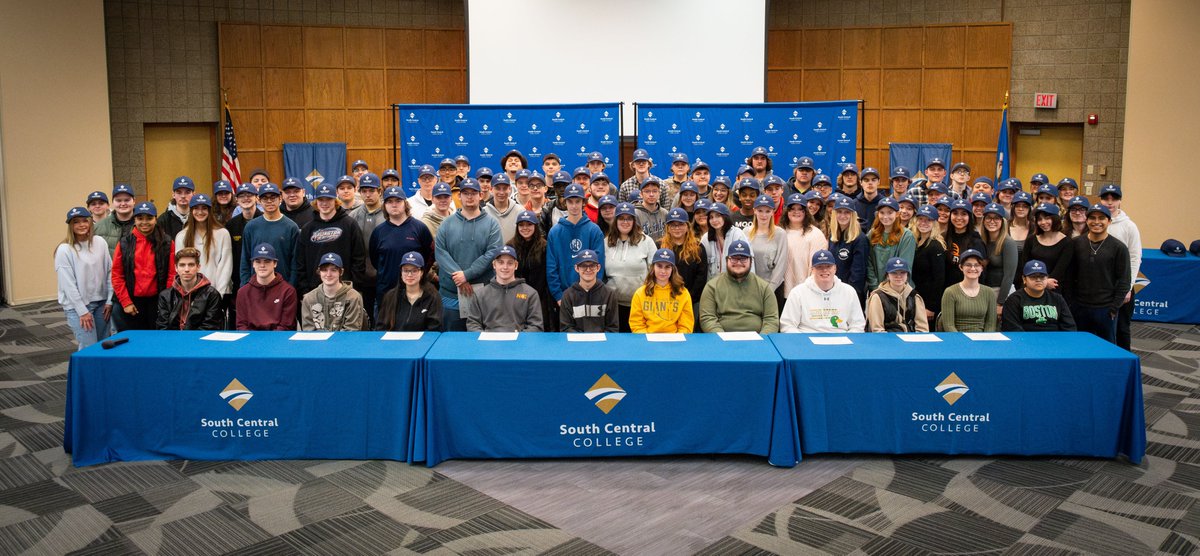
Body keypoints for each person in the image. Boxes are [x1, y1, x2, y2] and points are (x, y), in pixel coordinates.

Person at [435, 178, 503, 330]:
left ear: (481, 195)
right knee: (452, 343)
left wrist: (467, 274)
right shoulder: (446, 223)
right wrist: (460, 278)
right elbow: (440, 252)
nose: (470, 197)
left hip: (483, 294)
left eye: (474, 193)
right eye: (465, 193)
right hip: (451, 295)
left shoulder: (492, 224)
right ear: (459, 196)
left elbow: (493, 252)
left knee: (482, 343)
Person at [1068, 203, 1131, 345]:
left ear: (1109, 221)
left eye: (1101, 218)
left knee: (1107, 349)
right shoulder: (1076, 243)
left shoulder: (1119, 248)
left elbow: (1124, 280)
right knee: (1079, 347)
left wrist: (1114, 308)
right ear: (1086, 220)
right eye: (1092, 218)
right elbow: (1070, 276)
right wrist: (1071, 304)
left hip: (1106, 309)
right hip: (1079, 307)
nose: (1096, 222)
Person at [293, 182, 368, 296]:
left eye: (328, 199)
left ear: (335, 200)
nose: (324, 203)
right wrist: (305, 290)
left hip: (344, 289)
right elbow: (300, 262)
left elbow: (359, 259)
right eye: (321, 199)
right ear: (315, 202)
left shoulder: (350, 225)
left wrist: (355, 288)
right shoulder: (307, 229)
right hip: (315, 291)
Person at [111, 202, 176, 331]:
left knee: (156, 341)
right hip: (132, 302)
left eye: (149, 218)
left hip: (157, 300)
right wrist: (126, 302)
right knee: (134, 342)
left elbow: (171, 274)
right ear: (134, 220)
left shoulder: (167, 242)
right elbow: (117, 275)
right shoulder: (125, 243)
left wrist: (165, 301)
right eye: (140, 218)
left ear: (156, 219)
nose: (144, 222)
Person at [56, 207, 112, 349]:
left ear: (90, 222)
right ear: (70, 226)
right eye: (76, 222)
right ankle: (84, 372)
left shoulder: (100, 242)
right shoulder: (64, 249)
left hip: (102, 304)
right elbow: (68, 285)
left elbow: (110, 272)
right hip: (78, 307)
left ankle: (101, 372)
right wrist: (82, 311)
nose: (81, 225)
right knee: (89, 347)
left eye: (84, 221)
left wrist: (110, 300)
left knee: (103, 345)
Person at [698, 240, 779, 333]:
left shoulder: (764, 288)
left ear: (751, 261)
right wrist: (722, 339)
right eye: (734, 258)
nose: (739, 262)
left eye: (743, 258)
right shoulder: (712, 287)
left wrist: (762, 341)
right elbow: (707, 318)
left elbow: (771, 319)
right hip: (722, 342)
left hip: (757, 342)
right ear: (726, 260)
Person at [546, 183, 606, 305]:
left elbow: (599, 265)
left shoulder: (594, 230)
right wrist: (558, 296)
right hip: (563, 297)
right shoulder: (555, 232)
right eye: (570, 201)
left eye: (577, 201)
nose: (574, 206)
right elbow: (551, 267)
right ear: (565, 203)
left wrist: (593, 291)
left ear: (583, 203)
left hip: (590, 296)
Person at [779, 249, 866, 333]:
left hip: (840, 340)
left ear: (835, 268)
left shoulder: (849, 292)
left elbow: (858, 324)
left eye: (828, 266)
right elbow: (787, 325)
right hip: (807, 340)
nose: (824, 270)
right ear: (812, 269)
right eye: (819, 267)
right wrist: (803, 342)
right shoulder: (797, 293)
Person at [1098, 184, 1142, 350]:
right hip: (1101, 286)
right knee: (1102, 327)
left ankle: (1125, 360)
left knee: (1122, 327)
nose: (1110, 202)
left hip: (1121, 286)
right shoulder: (1095, 221)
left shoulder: (1129, 226)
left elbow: (1135, 258)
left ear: (1120, 201)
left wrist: (1127, 288)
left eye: (1114, 198)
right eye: (1106, 198)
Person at [462, 246, 543, 332]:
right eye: (500, 262)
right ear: (494, 265)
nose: (505, 267)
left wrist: (519, 339)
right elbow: (473, 324)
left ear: (516, 265)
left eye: (510, 263)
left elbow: (536, 326)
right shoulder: (480, 295)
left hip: (518, 344)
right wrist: (486, 340)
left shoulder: (530, 294)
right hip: (489, 344)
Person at [604, 202, 657, 332]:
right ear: (616, 221)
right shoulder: (606, 242)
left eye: (629, 218)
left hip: (640, 304)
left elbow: (655, 271)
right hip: (613, 305)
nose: (625, 222)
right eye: (621, 218)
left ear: (634, 221)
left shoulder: (647, 241)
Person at [175, 193, 233, 303]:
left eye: (204, 208)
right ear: (191, 211)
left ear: (210, 211)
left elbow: (226, 265)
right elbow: (181, 267)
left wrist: (217, 294)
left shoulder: (222, 233)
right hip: (190, 294)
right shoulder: (182, 236)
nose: (200, 212)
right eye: (196, 208)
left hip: (218, 292)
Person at [239, 183, 299, 286]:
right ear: (258, 200)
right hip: (256, 288)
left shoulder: (291, 227)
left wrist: (291, 287)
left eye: (273, 197)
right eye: (265, 198)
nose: (269, 201)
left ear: (280, 198)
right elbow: (245, 259)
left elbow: (295, 263)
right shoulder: (251, 227)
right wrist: (246, 286)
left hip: (283, 288)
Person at [660, 208, 707, 327]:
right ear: (667, 228)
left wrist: (688, 298)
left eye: (680, 224)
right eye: (673, 225)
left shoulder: (698, 248)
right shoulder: (660, 246)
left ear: (687, 226)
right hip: (665, 300)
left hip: (691, 299)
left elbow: (701, 276)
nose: (677, 228)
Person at [156, 247, 224, 330]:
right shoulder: (165, 296)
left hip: (199, 341)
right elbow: (162, 326)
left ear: (198, 267)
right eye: (182, 265)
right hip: (172, 340)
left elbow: (210, 327)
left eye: (191, 265)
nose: (186, 269)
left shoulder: (212, 295)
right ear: (176, 268)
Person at [509, 210, 555, 332]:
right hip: (516, 298)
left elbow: (548, 273)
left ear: (535, 226)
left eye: (529, 224)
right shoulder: (510, 247)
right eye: (521, 225)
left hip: (541, 298)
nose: (525, 228)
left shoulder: (545, 246)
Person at [629, 248, 694, 333]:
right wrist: (647, 340)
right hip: (648, 340)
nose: (663, 271)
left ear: (673, 269)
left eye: (667, 267)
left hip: (674, 341)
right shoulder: (640, 293)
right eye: (659, 266)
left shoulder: (683, 293)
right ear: (653, 267)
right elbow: (636, 324)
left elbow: (686, 325)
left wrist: (676, 341)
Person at [235, 243, 298, 331]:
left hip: (278, 341)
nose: (262, 265)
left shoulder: (288, 291)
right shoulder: (243, 292)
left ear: (275, 263)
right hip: (250, 341)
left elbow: (285, 326)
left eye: (267, 261)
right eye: (258, 261)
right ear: (253, 264)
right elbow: (241, 325)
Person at [1002, 260, 1076, 332]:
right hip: (1025, 341)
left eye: (1042, 276)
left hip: (1054, 341)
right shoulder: (1014, 300)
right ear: (1024, 279)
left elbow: (1069, 327)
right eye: (1033, 277)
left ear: (1047, 278)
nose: (1038, 280)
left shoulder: (1057, 299)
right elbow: (1012, 328)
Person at [375, 251, 442, 331]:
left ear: (421, 272)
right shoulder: (391, 296)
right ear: (401, 272)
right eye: (406, 270)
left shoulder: (432, 296)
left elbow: (435, 329)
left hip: (422, 342)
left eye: (414, 271)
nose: (409, 275)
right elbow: (380, 327)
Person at [300, 253, 365, 331]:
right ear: (319, 272)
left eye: (333, 270)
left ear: (341, 272)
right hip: (318, 343)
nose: (328, 274)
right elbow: (308, 331)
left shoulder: (353, 297)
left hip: (344, 342)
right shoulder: (308, 299)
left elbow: (351, 330)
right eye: (324, 270)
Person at [559, 249, 619, 332]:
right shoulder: (568, 295)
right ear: (576, 268)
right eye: (583, 266)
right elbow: (566, 328)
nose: (588, 270)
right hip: (577, 343)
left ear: (598, 268)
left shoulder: (609, 295)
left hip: (602, 343)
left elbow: (612, 328)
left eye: (592, 266)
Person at [939, 249, 998, 332]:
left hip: (982, 342)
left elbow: (991, 325)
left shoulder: (989, 293)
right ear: (961, 267)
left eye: (977, 265)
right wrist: (963, 342)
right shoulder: (950, 292)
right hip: (958, 341)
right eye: (968, 265)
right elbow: (949, 326)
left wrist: (985, 342)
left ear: (982, 268)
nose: (973, 268)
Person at [223, 182, 258, 326]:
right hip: (238, 283)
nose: (245, 198)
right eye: (241, 196)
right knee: (238, 323)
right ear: (236, 200)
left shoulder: (264, 220)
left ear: (256, 197)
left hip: (261, 280)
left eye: (249, 195)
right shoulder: (231, 225)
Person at [747, 194, 789, 310]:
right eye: (760, 211)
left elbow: (782, 263)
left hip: (773, 289)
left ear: (772, 212)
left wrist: (770, 289)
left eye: (767, 211)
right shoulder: (746, 232)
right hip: (751, 288)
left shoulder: (780, 234)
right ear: (754, 211)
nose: (764, 215)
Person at [1021, 203, 1073, 296]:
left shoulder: (1067, 243)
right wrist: (1039, 283)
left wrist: (1044, 283)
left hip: (1054, 289)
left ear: (1055, 218)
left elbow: (1060, 270)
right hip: (1030, 288)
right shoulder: (1031, 239)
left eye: (1047, 218)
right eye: (1040, 219)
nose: (1043, 222)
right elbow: (1025, 264)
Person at [780, 193, 828, 293]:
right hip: (781, 291)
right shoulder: (780, 232)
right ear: (786, 211)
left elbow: (817, 267)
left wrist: (808, 290)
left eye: (800, 209)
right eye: (792, 208)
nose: (796, 212)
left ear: (805, 212)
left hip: (807, 291)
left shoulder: (815, 234)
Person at [866, 257, 929, 333]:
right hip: (888, 340)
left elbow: (922, 329)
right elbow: (877, 330)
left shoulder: (915, 297)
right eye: (894, 272)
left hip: (911, 341)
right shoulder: (878, 297)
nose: (898, 276)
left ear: (907, 275)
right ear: (887, 275)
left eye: (902, 272)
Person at [866, 197, 917, 290]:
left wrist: (888, 290)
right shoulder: (871, 234)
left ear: (897, 214)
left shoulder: (907, 236)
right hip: (876, 289)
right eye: (882, 212)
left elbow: (904, 267)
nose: (885, 217)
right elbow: (868, 264)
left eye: (890, 212)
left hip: (899, 289)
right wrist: (875, 287)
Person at [827, 195, 869, 304]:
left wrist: (849, 296)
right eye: (839, 212)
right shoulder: (833, 236)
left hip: (850, 295)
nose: (842, 216)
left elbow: (858, 275)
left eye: (847, 212)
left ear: (853, 215)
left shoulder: (860, 239)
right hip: (833, 291)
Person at [980, 203, 1018, 313]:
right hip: (986, 291)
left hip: (1002, 292)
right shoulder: (983, 241)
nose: (992, 221)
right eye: (988, 218)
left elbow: (1009, 276)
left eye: (996, 218)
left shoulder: (1008, 243)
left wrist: (1000, 303)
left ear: (1003, 221)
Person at [911, 205, 946, 322]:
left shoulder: (935, 246)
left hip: (928, 303)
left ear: (935, 223)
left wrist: (931, 307)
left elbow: (939, 279)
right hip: (917, 298)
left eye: (928, 220)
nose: (923, 223)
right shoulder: (916, 242)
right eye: (921, 219)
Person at [942, 199, 985, 288]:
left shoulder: (976, 241)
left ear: (970, 217)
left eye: (964, 214)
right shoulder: (943, 238)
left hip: (969, 291)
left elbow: (982, 273)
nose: (959, 218)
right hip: (947, 291)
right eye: (955, 213)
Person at [95, 183, 137, 257]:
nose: (123, 204)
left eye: (127, 200)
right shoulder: (98, 227)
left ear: (134, 201)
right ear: (113, 202)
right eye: (118, 200)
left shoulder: (144, 225)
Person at [484, 171, 520, 242]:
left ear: (509, 189)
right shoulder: (484, 213)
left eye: (504, 188)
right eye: (497, 188)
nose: (501, 192)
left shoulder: (520, 211)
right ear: (491, 189)